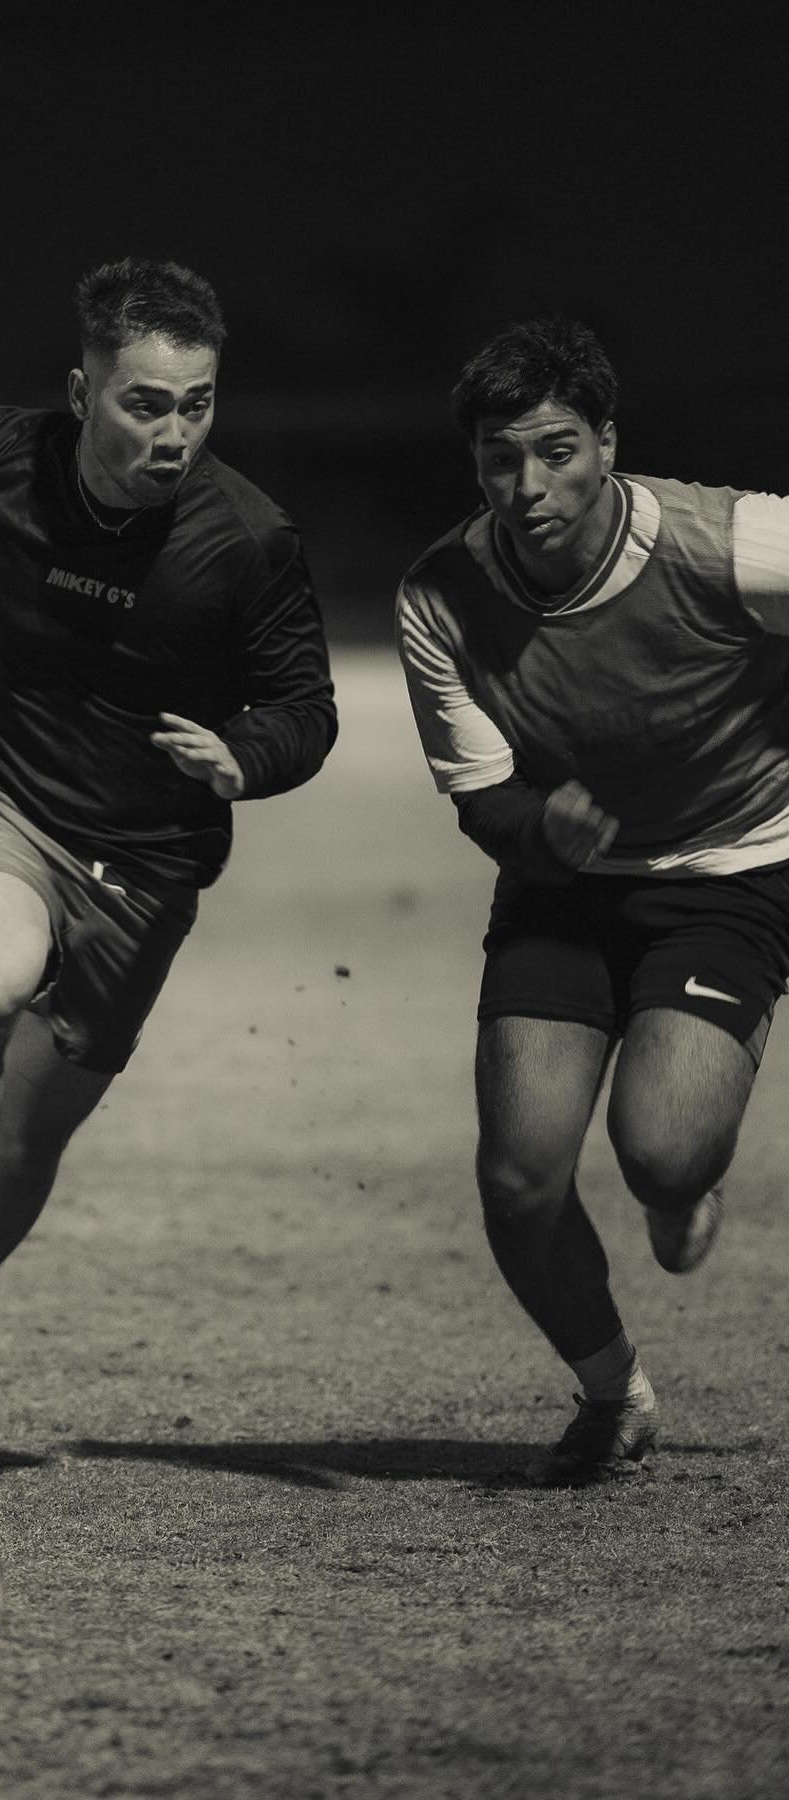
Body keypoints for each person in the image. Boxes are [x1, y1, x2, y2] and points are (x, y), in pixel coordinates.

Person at [0, 257, 337, 1467]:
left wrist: (248, 755)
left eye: (196, 404)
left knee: (28, 1140)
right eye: (144, 402)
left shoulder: (248, 540)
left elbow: (306, 708)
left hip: (144, 863)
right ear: (80, 392)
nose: (173, 433)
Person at [396, 316, 789, 1486]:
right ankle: (614, 1390)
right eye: (501, 459)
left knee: (663, 1157)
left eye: (557, 451)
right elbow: (479, 798)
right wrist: (542, 827)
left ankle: (690, 1171)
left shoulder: (738, 545)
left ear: (607, 442)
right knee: (519, 1178)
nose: (530, 486)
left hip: (732, 871)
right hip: (562, 891)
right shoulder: (443, 596)